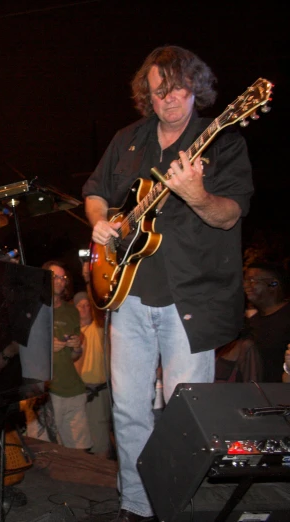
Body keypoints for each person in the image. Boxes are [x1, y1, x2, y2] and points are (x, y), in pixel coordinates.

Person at [83, 46, 253, 521]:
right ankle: (135, 506)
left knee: (185, 418)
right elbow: (95, 192)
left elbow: (229, 214)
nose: (171, 100)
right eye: (160, 92)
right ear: (148, 97)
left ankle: (179, 509)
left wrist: (197, 195)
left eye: (178, 89)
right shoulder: (128, 139)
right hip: (127, 296)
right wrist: (100, 223)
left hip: (190, 299)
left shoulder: (222, 141)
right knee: (129, 411)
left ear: (195, 89)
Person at [42, 261, 92, 451]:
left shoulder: (72, 311)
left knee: (80, 452)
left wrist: (77, 346)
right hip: (45, 392)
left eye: (63, 277)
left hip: (73, 388)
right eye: (55, 276)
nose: (60, 281)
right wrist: (46, 347)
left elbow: (74, 356)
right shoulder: (34, 310)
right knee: (48, 453)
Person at [73, 291, 112, 458]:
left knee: (100, 440)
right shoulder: (70, 332)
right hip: (75, 396)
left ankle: (103, 478)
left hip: (97, 393)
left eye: (87, 305)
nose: (85, 308)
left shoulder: (99, 329)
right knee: (76, 441)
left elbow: (99, 308)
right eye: (80, 305)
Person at [242, 261, 290, 382]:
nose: (246, 285)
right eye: (245, 280)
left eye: (252, 280)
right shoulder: (250, 323)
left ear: (273, 284)